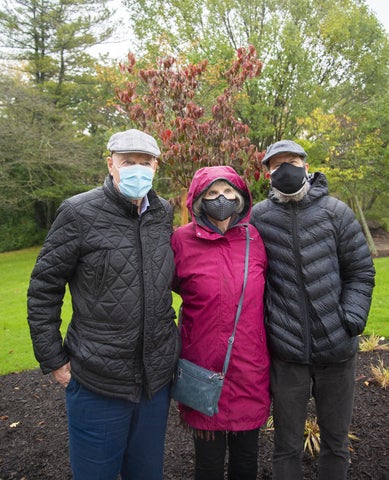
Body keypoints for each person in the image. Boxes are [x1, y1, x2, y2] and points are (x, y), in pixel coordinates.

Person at [27, 129, 181, 480]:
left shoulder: (162, 213)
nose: (137, 169)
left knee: (147, 474)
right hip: (98, 380)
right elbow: (44, 288)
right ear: (111, 164)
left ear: (155, 166)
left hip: (153, 383)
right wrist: (52, 358)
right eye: (128, 162)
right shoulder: (78, 212)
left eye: (145, 162)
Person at [250, 140, 375, 480]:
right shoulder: (259, 217)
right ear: (268, 174)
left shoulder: (336, 212)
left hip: (337, 350)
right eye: (276, 165)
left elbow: (361, 271)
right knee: (286, 445)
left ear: (306, 165)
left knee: (335, 442)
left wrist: (350, 318)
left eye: (291, 161)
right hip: (287, 353)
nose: (285, 169)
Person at [171, 165, 271, 480]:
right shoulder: (180, 241)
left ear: (240, 198)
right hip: (202, 369)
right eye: (212, 193)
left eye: (228, 192)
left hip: (248, 368)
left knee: (246, 462)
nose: (221, 199)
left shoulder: (254, 238)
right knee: (208, 464)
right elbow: (168, 288)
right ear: (199, 200)